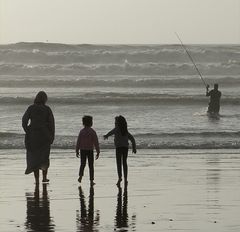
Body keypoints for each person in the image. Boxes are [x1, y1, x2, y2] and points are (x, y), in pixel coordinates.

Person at [22, 91, 55, 184]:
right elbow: (52, 123)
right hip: (44, 135)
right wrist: (52, 135)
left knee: (35, 158)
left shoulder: (31, 108)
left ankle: (36, 180)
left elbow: (24, 120)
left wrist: (27, 130)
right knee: (44, 157)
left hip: (33, 135)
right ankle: (44, 178)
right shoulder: (47, 109)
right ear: (45, 99)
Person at [104, 115, 136, 186]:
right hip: (125, 148)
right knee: (124, 162)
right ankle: (125, 178)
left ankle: (119, 178)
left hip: (118, 148)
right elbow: (132, 139)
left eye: (115, 122)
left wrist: (106, 135)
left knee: (119, 163)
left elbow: (110, 132)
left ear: (118, 123)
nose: (115, 124)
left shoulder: (116, 129)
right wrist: (134, 147)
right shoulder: (125, 131)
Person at [76, 115, 100, 185]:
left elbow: (78, 141)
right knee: (91, 166)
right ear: (91, 123)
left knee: (82, 164)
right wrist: (98, 151)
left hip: (82, 150)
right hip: (90, 150)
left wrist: (77, 150)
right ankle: (91, 181)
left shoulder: (82, 131)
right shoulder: (92, 131)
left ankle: (80, 176)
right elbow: (96, 142)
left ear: (83, 123)